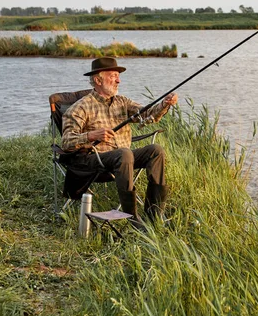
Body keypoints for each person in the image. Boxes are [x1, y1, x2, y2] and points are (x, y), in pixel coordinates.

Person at [61, 57, 178, 230]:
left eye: (118, 76)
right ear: (98, 80)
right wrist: (91, 135)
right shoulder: (81, 107)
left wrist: (165, 104)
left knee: (156, 150)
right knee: (124, 153)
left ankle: (155, 213)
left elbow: (147, 114)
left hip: (123, 159)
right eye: (113, 76)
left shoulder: (123, 102)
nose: (118, 80)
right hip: (94, 160)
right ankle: (132, 217)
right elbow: (66, 141)